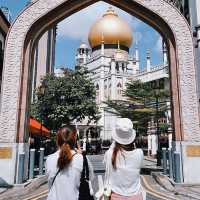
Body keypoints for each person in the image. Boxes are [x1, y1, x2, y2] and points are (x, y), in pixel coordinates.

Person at [103, 118, 145, 200]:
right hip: (136, 196)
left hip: (116, 196)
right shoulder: (140, 153)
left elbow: (108, 178)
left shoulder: (110, 154)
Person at [46, 125, 83, 200]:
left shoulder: (49, 159)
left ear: (58, 140)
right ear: (75, 141)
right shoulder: (82, 159)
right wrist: (81, 156)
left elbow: (50, 184)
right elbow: (88, 185)